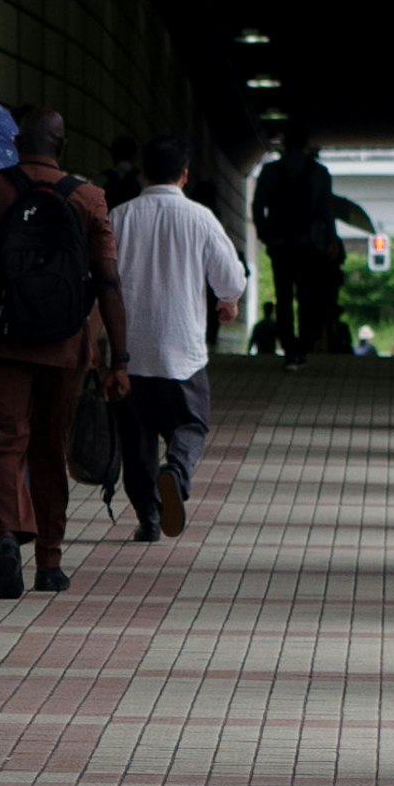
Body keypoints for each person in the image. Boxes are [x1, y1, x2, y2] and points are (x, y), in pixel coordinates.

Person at [0, 107, 121, 596]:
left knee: (5, 443)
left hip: (1, 340)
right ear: (61, 145)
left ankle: (8, 534)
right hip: (65, 346)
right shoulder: (89, 198)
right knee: (49, 447)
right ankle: (49, 561)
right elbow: (108, 282)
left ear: (16, 142)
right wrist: (119, 359)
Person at [106, 134, 248, 537]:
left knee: (137, 440)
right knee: (191, 424)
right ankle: (178, 471)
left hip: (129, 352)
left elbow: (100, 278)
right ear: (185, 175)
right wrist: (228, 301)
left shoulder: (120, 216)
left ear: (143, 172)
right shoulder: (200, 218)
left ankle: (149, 520)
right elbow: (231, 277)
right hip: (181, 350)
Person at [252, 133, 376, 362]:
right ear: (307, 146)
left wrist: (265, 234)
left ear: (284, 144)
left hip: (280, 245)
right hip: (308, 245)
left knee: (284, 295)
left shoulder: (270, 172)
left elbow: (258, 205)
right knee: (307, 296)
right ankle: (304, 343)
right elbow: (326, 211)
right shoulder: (319, 173)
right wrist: (331, 239)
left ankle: (288, 344)